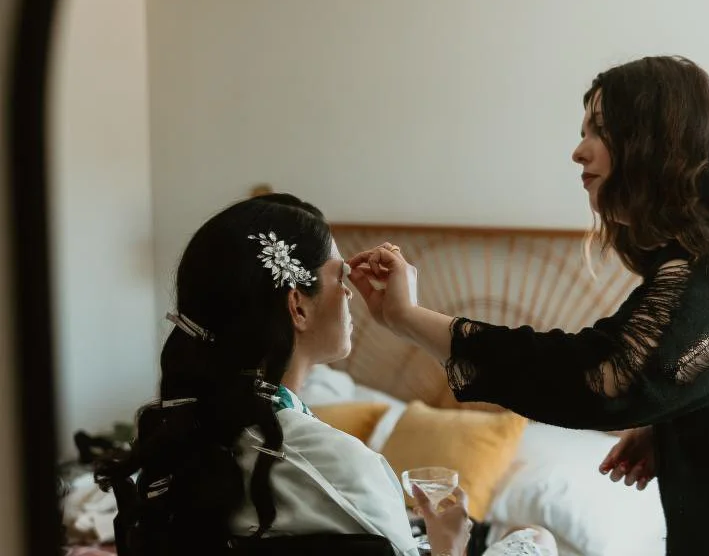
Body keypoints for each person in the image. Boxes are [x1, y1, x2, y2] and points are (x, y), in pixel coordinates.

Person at [348, 56, 709, 556]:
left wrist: (408, 318)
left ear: (653, 140)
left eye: (600, 130)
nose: (579, 152)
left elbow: (599, 374)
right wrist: (672, 417)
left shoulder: (708, 270)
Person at [94, 194, 557, 556]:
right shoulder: (344, 466)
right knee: (534, 538)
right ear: (297, 306)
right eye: (340, 277)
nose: (352, 293)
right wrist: (448, 543)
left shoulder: (173, 440)